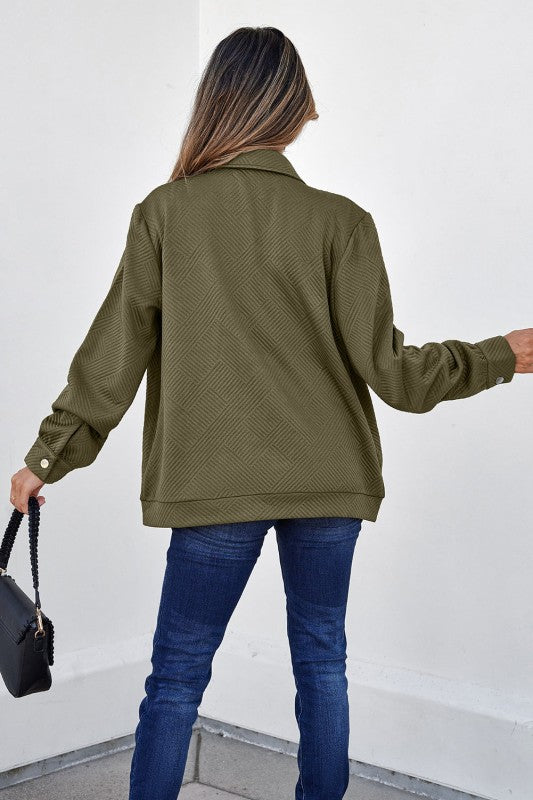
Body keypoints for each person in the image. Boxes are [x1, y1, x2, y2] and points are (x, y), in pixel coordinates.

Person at [9, 25, 532, 800]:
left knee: (176, 676)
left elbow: (111, 361)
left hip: (213, 484)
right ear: (289, 109)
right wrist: (500, 355)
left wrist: (47, 458)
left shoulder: (165, 214)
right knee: (322, 664)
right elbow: (396, 375)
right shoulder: (340, 222)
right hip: (329, 484)